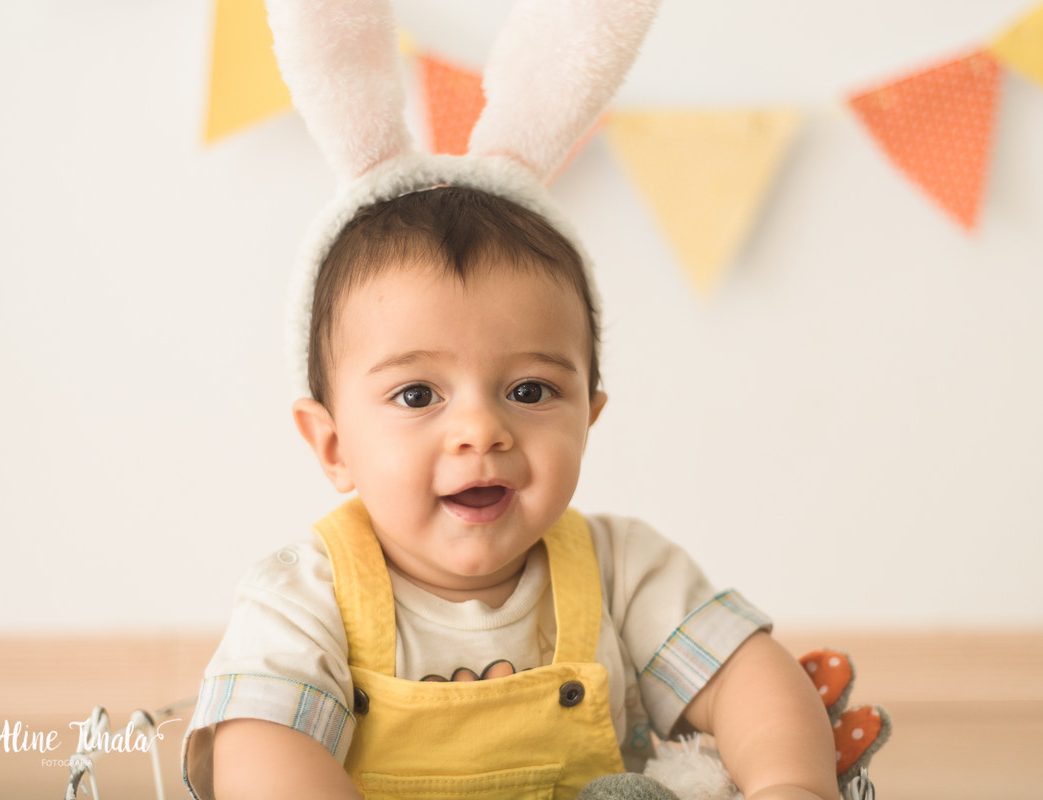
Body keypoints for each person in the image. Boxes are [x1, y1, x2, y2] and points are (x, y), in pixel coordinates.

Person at [181, 186, 841, 800]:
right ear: (333, 446)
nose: (480, 432)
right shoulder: (303, 598)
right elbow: (260, 747)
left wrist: (789, 784)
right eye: (417, 395)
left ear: (587, 416)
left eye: (529, 391)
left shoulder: (624, 567)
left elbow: (744, 679)